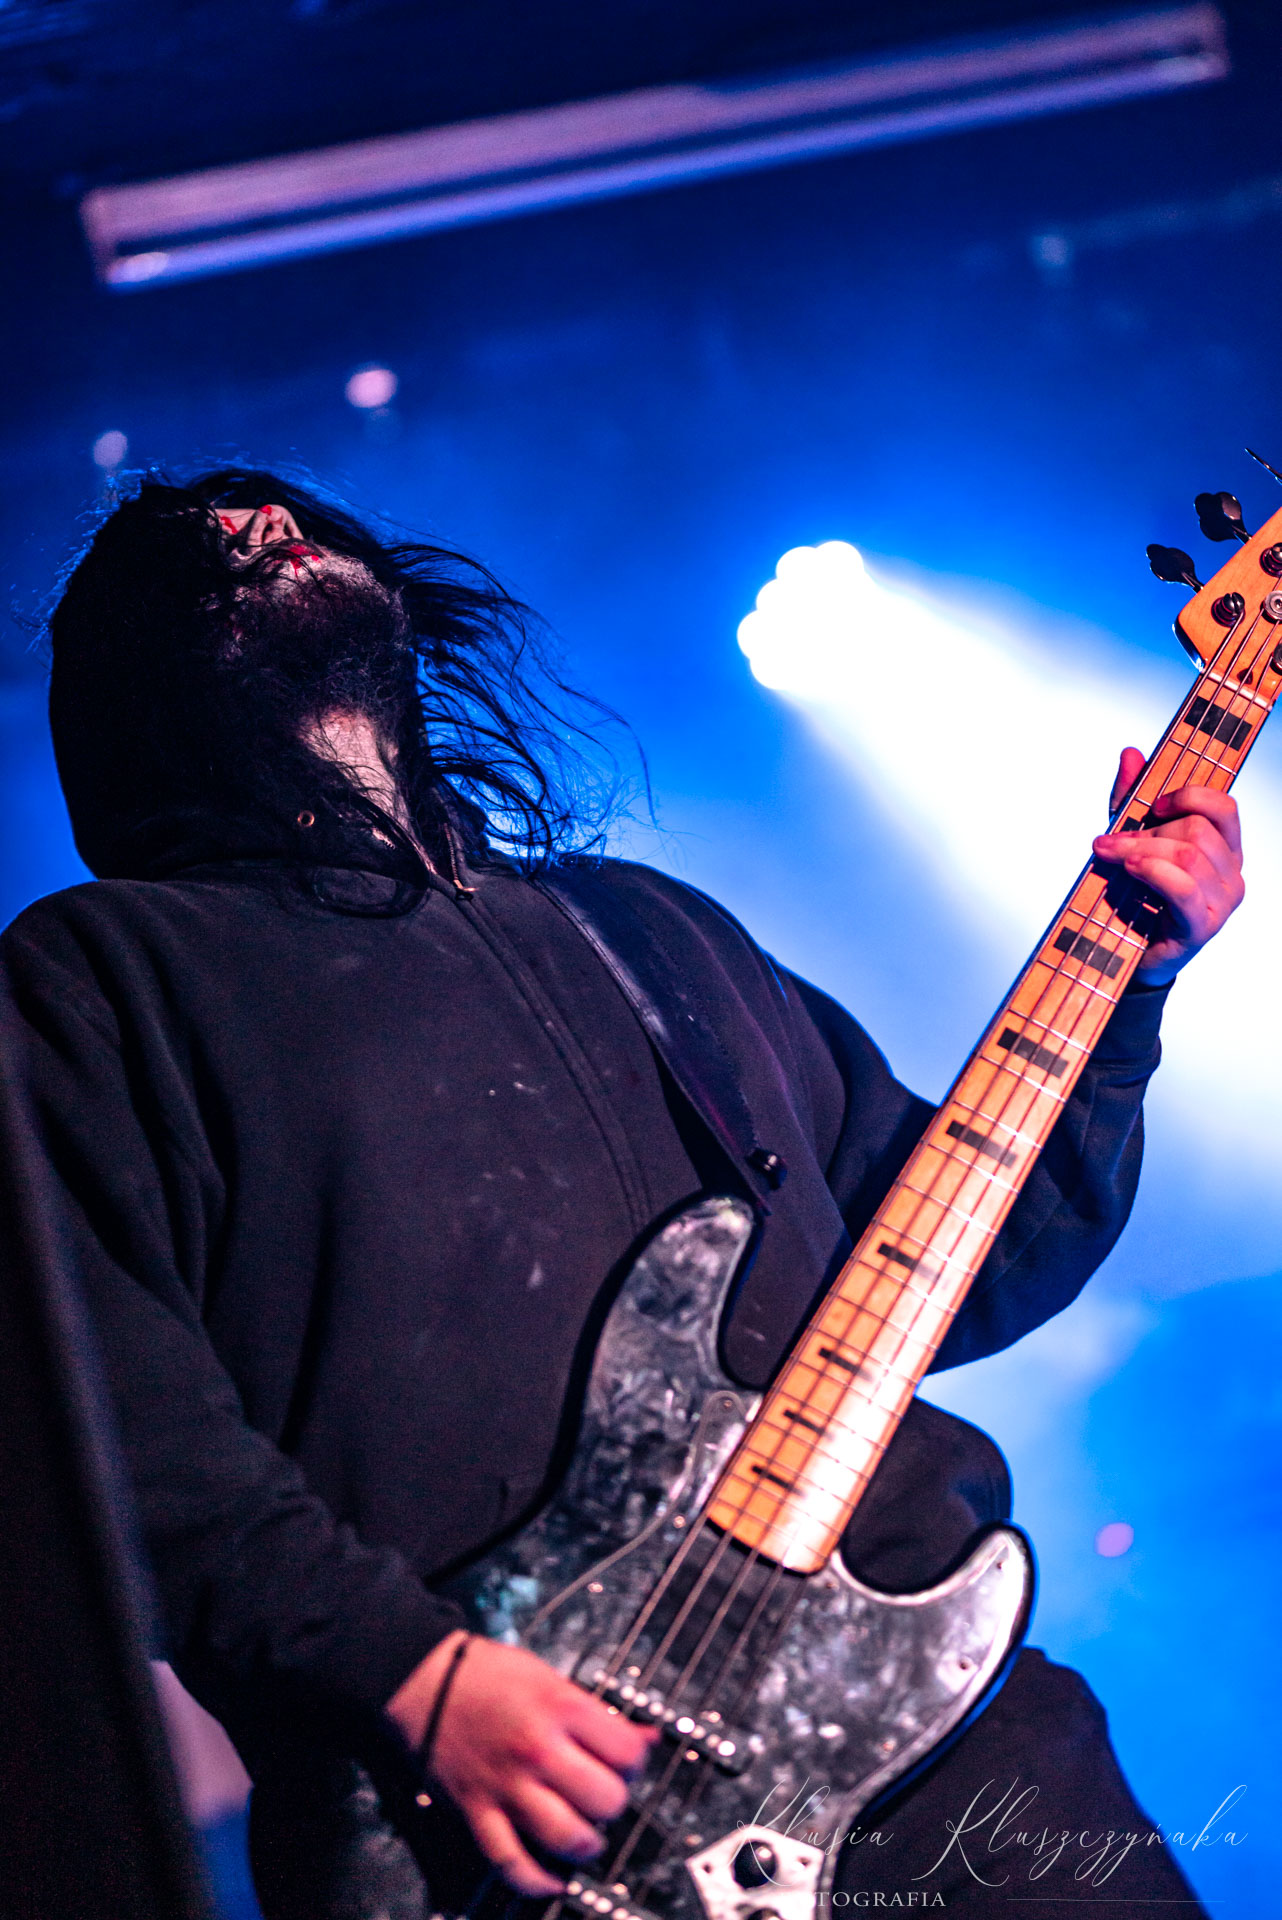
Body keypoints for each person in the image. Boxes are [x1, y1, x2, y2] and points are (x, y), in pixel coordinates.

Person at [3, 471, 1243, 1918]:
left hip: (960, 1771)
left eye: (275, 509)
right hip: (515, 1809)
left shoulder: (647, 926)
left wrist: (1130, 992)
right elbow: (93, 1423)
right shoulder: (97, 981)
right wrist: (409, 1670)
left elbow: (962, 1258)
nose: (258, 528)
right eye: (192, 548)